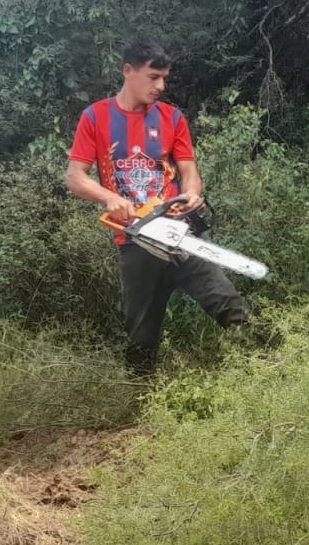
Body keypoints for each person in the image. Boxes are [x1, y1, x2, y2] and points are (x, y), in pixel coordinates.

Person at [66, 37, 250, 373]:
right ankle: (139, 398)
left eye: (164, 78)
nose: (161, 86)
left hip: (179, 233)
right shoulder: (95, 117)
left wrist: (191, 194)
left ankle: (266, 374)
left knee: (229, 306)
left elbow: (189, 172)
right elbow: (76, 177)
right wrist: (110, 198)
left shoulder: (171, 118)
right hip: (135, 240)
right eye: (153, 77)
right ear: (128, 71)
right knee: (141, 337)